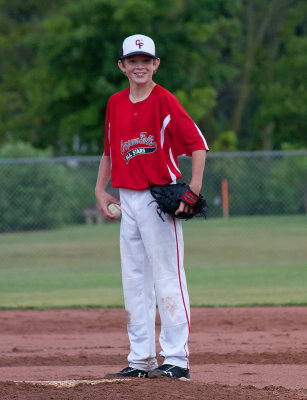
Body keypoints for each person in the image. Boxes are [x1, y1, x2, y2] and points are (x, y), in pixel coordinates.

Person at [95, 34, 208, 380]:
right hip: (126, 199)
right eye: (133, 61)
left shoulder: (165, 100)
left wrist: (195, 186)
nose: (139, 66)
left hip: (158, 198)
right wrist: (100, 189)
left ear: (156, 64)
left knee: (168, 278)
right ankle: (140, 359)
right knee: (135, 282)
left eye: (146, 60)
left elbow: (198, 143)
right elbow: (109, 152)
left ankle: (177, 359)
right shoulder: (114, 103)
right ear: (122, 66)